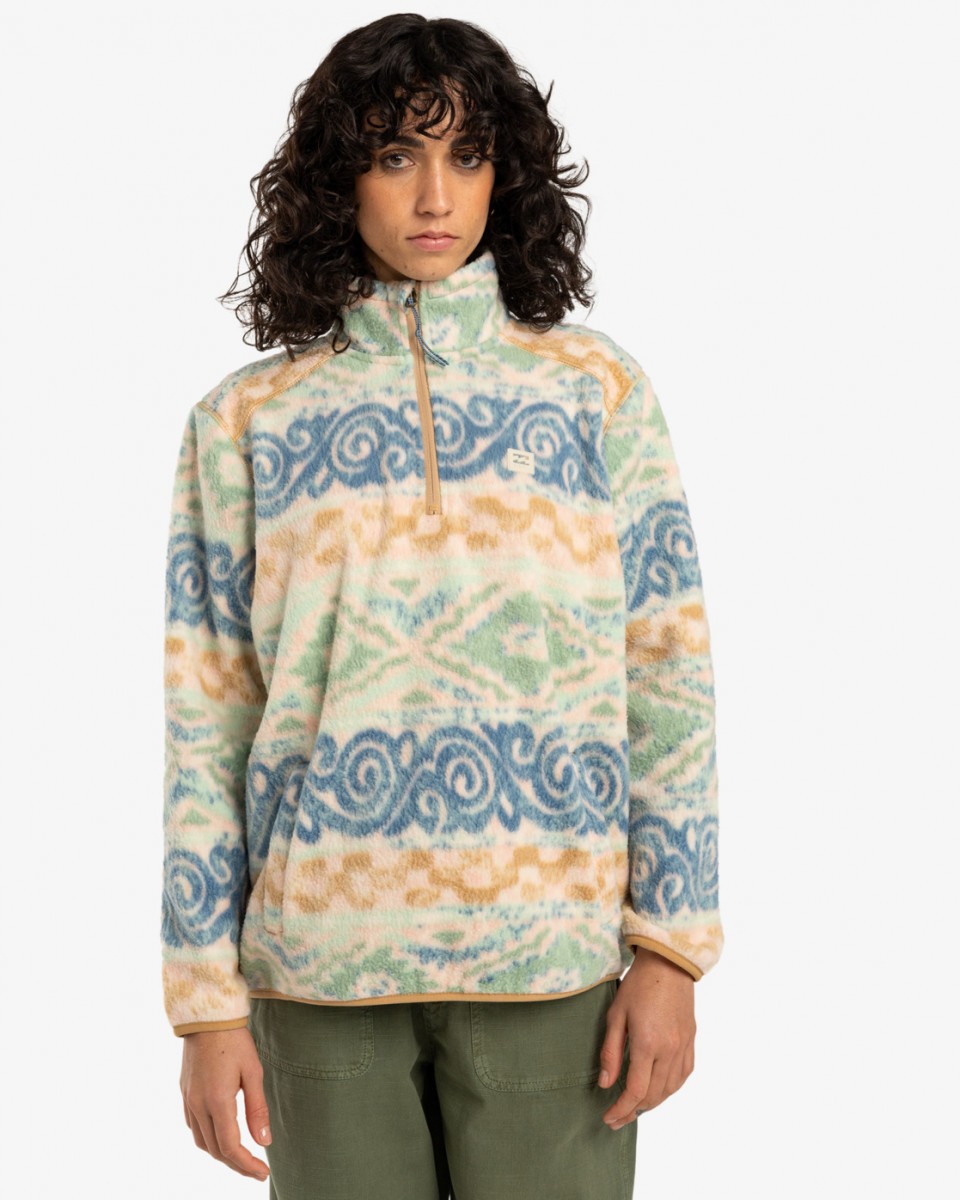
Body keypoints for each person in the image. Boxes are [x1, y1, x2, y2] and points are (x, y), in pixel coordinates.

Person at [162, 14, 723, 1199]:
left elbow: (667, 674)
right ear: (338, 177)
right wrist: (205, 1007)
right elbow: (208, 721)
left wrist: (672, 949)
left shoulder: (595, 392)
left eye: (466, 156)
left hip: (554, 963)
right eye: (394, 155)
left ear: (503, 177)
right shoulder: (245, 422)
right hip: (319, 971)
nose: (434, 195)